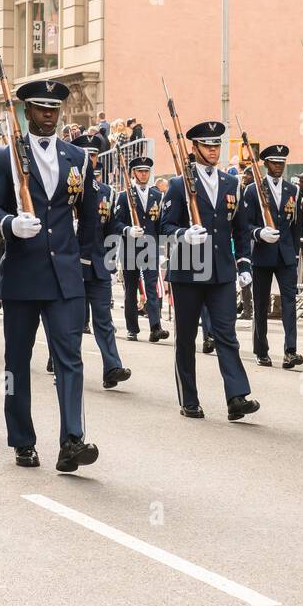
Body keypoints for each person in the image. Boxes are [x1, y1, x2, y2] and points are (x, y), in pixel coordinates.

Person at [0, 79, 101, 472]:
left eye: (54, 109)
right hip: (21, 275)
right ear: (26, 112)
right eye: (40, 109)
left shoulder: (77, 158)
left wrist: (84, 263)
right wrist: (9, 225)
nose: (48, 116)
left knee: (70, 359)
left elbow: (89, 218)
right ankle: (22, 439)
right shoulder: (4, 158)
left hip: (65, 277)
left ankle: (72, 440)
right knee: (17, 361)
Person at [158, 121, 260, 422]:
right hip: (188, 270)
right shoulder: (179, 185)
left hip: (221, 272)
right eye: (207, 145)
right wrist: (183, 235)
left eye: (217, 145)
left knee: (226, 335)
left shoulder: (231, 184)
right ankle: (189, 399)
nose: (213, 150)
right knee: (187, 337)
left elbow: (240, 228)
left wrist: (243, 263)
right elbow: (165, 227)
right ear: (194, 148)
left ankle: (236, 397)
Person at [75, 132, 132, 389]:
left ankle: (112, 367)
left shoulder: (106, 192)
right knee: (71, 321)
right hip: (71, 265)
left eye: (95, 155)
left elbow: (109, 226)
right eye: (87, 155)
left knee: (104, 320)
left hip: (97, 265)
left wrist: (125, 230)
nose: (92, 159)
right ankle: (61, 360)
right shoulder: (64, 188)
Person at [242, 145, 303, 369]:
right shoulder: (252, 190)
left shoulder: (293, 190)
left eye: (282, 163)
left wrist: (295, 253)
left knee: (290, 303)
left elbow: (297, 225)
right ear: (266, 164)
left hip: (285, 254)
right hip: (262, 253)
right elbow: (244, 225)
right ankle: (261, 350)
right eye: (274, 163)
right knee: (260, 304)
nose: (279, 166)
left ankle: (290, 350)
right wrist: (259, 233)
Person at [119, 156, 167, 343]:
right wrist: (128, 230)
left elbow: (161, 224)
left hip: (151, 247)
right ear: (133, 173)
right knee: (131, 289)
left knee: (151, 287)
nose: (143, 174)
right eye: (140, 171)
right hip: (130, 247)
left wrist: (162, 248)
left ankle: (155, 326)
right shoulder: (125, 195)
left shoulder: (158, 196)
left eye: (146, 171)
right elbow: (117, 222)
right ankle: (132, 328)